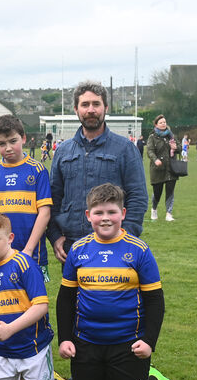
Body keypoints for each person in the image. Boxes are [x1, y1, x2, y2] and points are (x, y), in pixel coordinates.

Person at [56, 183, 179, 380]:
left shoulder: (139, 250)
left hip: (127, 342)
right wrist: (65, 338)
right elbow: (66, 299)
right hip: (87, 340)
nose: (105, 218)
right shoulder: (78, 250)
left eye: (112, 212)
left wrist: (149, 342)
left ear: (122, 214)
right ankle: (91, 377)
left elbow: (155, 300)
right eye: (98, 212)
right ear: (88, 215)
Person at [48, 80, 147, 264]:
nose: (91, 110)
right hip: (73, 246)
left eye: (96, 104)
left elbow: (138, 197)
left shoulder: (125, 149)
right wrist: (55, 237)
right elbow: (53, 198)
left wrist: (126, 238)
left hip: (114, 246)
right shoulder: (63, 151)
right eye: (85, 105)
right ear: (76, 109)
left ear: (106, 107)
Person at [0, 214, 70, 380]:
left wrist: (10, 329)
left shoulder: (25, 265)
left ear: (10, 238)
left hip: (32, 346)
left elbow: (41, 307)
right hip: (1, 350)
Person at [0, 115, 52, 281]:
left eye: (13, 141)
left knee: (34, 301)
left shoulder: (38, 170)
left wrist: (28, 250)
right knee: (1, 301)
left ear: (23, 138)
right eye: (2, 144)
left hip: (31, 253)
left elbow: (45, 213)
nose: (8, 148)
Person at [146, 114, 180, 222]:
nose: (163, 124)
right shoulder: (152, 137)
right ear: (156, 124)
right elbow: (150, 151)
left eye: (164, 122)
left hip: (171, 168)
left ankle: (169, 213)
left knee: (170, 192)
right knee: (157, 192)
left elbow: (180, 147)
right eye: (161, 122)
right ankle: (154, 209)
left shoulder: (171, 136)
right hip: (157, 169)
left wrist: (176, 147)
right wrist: (155, 159)